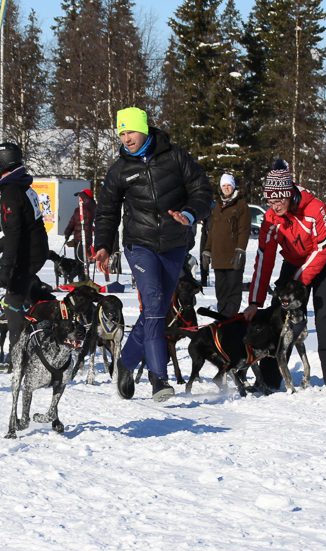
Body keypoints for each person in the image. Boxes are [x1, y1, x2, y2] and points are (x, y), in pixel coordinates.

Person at [91, 107, 214, 401]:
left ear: (144, 130)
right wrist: (103, 245)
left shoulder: (176, 157)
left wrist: (189, 213)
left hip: (175, 244)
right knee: (156, 303)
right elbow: (106, 212)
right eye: (121, 133)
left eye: (131, 131)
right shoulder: (119, 169)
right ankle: (159, 377)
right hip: (140, 245)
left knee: (154, 311)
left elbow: (203, 191)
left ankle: (126, 361)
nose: (126, 138)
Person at [244, 159, 326, 388]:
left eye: (279, 200)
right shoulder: (271, 219)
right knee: (279, 316)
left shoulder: (316, 208)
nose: (274, 206)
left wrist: (297, 283)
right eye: (270, 201)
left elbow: (324, 248)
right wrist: (254, 301)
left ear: (289, 194)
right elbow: (264, 259)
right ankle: (269, 380)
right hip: (294, 261)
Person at [0, 141, 49, 373]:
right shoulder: (20, 186)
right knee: (25, 293)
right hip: (34, 249)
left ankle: (18, 357)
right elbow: (21, 229)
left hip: (28, 253)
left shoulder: (11, 192)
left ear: (1, 164)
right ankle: (49, 323)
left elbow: (14, 233)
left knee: (13, 299)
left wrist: (5, 267)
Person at [203, 173, 250, 318]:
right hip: (218, 258)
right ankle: (222, 319)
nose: (226, 188)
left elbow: (244, 230)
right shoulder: (216, 207)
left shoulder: (241, 206)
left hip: (233, 257)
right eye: (224, 185)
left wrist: (240, 250)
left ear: (233, 186)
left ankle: (230, 320)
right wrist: (207, 250)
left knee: (233, 292)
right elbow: (211, 232)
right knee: (221, 292)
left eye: (229, 185)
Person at [64, 189, 95, 265]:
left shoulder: (89, 209)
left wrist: (81, 193)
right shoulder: (78, 210)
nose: (79, 199)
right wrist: (67, 232)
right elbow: (72, 222)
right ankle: (82, 272)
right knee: (79, 261)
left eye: (81, 197)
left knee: (81, 261)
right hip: (79, 239)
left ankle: (84, 272)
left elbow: (88, 201)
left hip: (83, 238)